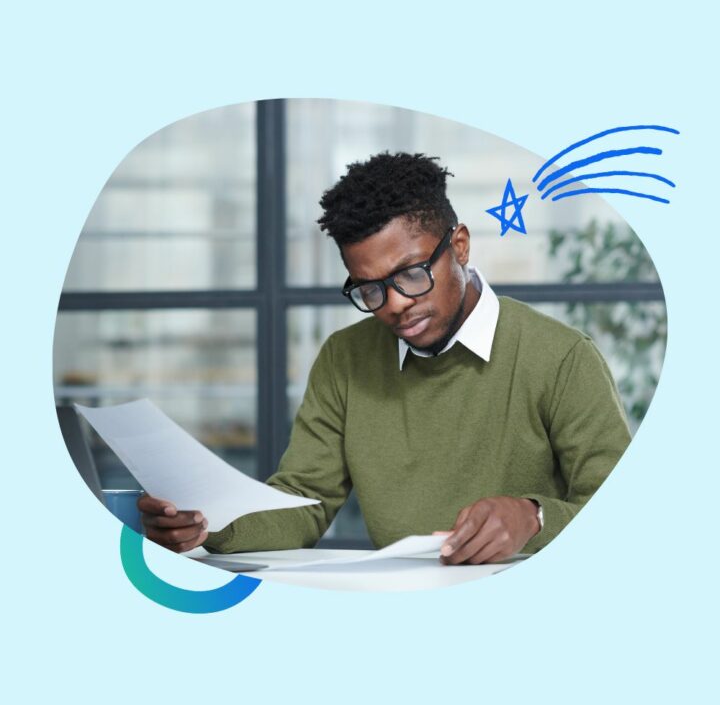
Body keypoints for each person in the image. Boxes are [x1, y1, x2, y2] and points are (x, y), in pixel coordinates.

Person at [138, 152, 631, 565]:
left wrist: (533, 516)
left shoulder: (563, 358)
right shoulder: (344, 359)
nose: (394, 304)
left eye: (411, 275)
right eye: (369, 289)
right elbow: (306, 501)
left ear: (459, 246)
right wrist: (209, 526)